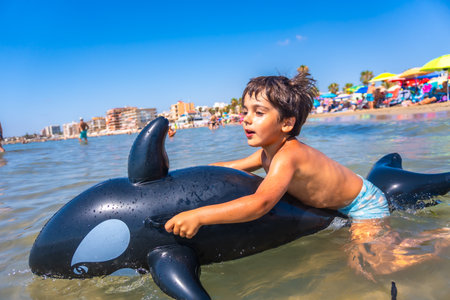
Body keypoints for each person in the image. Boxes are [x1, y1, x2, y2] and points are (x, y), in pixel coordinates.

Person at [165, 73, 448, 279]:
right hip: (346, 200)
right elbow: (229, 167)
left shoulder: (288, 156)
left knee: (369, 264)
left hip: (364, 205)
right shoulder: (268, 152)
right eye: (244, 112)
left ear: (287, 123)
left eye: (258, 112)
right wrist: (182, 177)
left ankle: (439, 238)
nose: (246, 119)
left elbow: (260, 203)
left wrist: (201, 215)